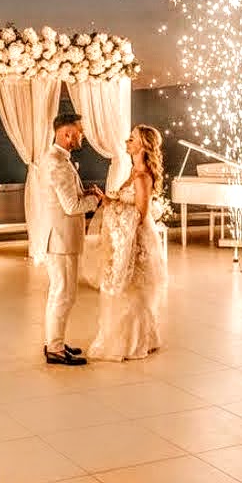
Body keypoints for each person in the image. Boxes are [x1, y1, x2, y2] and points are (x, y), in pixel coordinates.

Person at [88, 124, 168, 361]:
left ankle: (133, 342)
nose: (127, 141)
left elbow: (141, 213)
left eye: (131, 139)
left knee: (133, 289)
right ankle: (141, 337)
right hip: (128, 235)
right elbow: (125, 201)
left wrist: (114, 206)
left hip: (137, 238)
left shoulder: (142, 176)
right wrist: (108, 200)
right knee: (129, 289)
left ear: (143, 145)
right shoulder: (134, 171)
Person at [38, 113, 103, 366]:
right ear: (67, 135)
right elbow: (71, 206)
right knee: (63, 294)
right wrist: (95, 199)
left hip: (60, 237)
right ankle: (54, 348)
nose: (82, 136)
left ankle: (55, 341)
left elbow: (66, 197)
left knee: (61, 293)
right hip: (60, 240)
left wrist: (83, 191)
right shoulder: (58, 163)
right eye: (80, 132)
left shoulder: (57, 159)